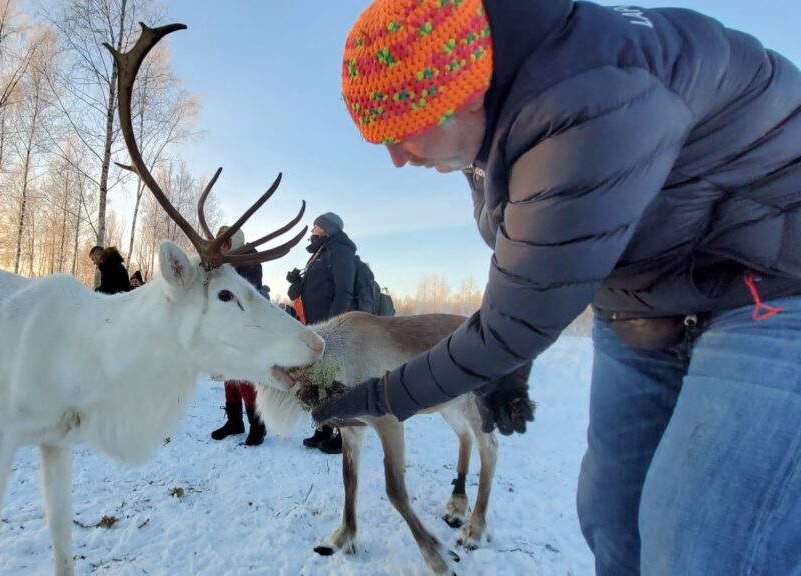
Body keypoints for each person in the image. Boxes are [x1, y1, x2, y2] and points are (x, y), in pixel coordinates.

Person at [314, 1, 801, 574]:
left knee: (698, 544)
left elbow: (507, 327)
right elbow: (524, 264)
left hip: (768, 289)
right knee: (609, 515)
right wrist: (510, 359)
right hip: (639, 300)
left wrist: (373, 398)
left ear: (463, 96)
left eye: (401, 135)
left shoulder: (581, 105)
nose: (396, 159)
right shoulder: (488, 128)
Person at [287, 212, 358, 454]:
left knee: (339, 382)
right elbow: (304, 295)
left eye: (316, 227)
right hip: (316, 329)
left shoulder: (340, 252)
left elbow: (344, 291)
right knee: (320, 381)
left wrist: (336, 327)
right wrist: (297, 282)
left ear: (328, 229)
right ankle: (324, 427)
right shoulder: (320, 254)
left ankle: (343, 433)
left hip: (333, 330)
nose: (312, 231)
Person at [210, 226, 268, 446]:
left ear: (233, 240)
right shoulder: (223, 262)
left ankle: (258, 425)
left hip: (243, 323)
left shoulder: (249, 258)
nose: (221, 245)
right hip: (225, 323)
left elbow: (248, 292)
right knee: (228, 374)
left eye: (224, 241)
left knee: (244, 375)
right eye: (219, 241)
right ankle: (235, 422)